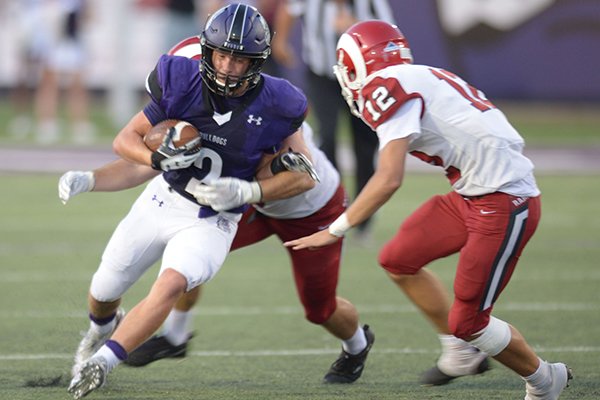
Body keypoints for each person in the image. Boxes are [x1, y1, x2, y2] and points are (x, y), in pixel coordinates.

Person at [284, 20, 573, 400]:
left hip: (504, 201)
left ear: (358, 65)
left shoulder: (384, 86)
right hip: (472, 194)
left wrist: (335, 228)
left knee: (469, 320)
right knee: (398, 258)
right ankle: (460, 351)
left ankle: (543, 379)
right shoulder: (417, 74)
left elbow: (388, 178)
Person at [66, 4, 314, 399]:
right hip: (162, 199)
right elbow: (125, 140)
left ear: (257, 61)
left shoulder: (279, 103)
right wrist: (152, 160)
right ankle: (101, 329)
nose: (229, 66)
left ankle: (104, 362)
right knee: (103, 289)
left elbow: (304, 173)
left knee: (172, 282)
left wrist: (251, 191)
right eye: (222, 54)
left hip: (214, 220)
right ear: (206, 50)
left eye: (240, 58)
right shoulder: (180, 79)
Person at [59, 122, 374, 386]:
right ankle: (176, 336)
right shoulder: (214, 108)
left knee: (319, 308)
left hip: (308, 209)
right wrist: (95, 178)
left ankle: (357, 345)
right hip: (248, 204)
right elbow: (154, 163)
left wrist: (249, 188)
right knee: (189, 250)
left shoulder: (276, 114)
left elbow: (300, 177)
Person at [272, 0, 396, 243]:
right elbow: (288, 9)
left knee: (364, 144)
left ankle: (362, 218)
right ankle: (333, 207)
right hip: (322, 74)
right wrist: (280, 41)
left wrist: (354, 26)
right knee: (327, 138)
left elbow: (388, 30)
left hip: (361, 77)